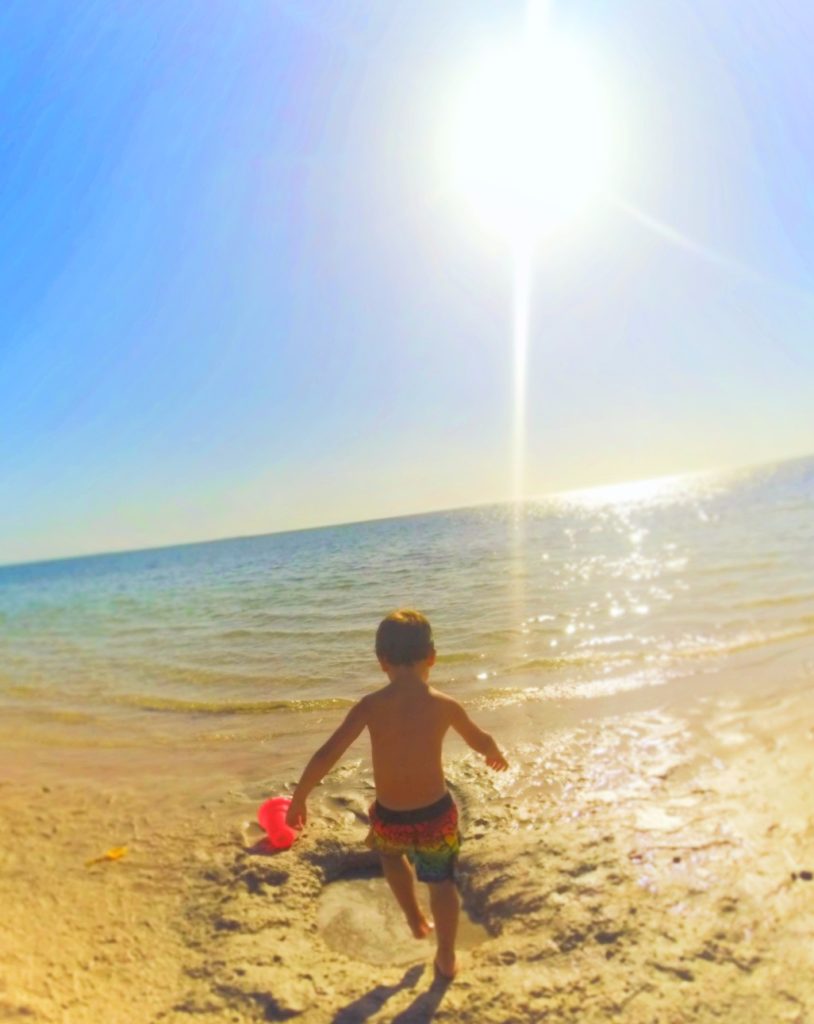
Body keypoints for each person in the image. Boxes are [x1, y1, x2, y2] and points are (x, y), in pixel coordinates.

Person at [286, 609, 508, 980]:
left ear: (382, 661)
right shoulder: (445, 704)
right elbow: (479, 738)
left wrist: (300, 797)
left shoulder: (370, 706)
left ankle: (414, 918)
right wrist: (494, 753)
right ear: (433, 657)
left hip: (390, 816)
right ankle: (447, 957)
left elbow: (328, 753)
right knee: (441, 883)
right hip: (436, 814)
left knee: (389, 858)